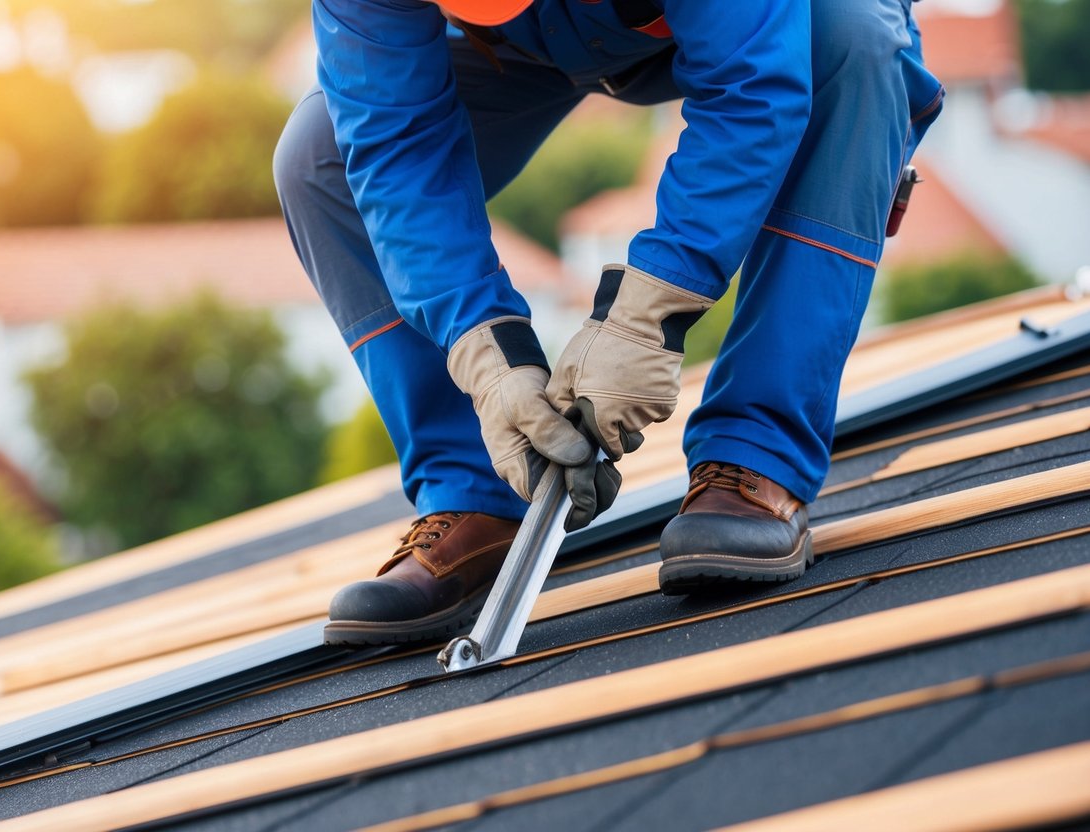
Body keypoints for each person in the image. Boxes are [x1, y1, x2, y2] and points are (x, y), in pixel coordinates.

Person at [275, 0, 943, 645]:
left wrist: (647, 314)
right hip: (540, 41)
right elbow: (395, 150)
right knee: (318, 158)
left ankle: (754, 455)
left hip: (772, 18)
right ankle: (475, 489)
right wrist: (484, 352)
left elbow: (750, 90)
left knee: (848, 36)